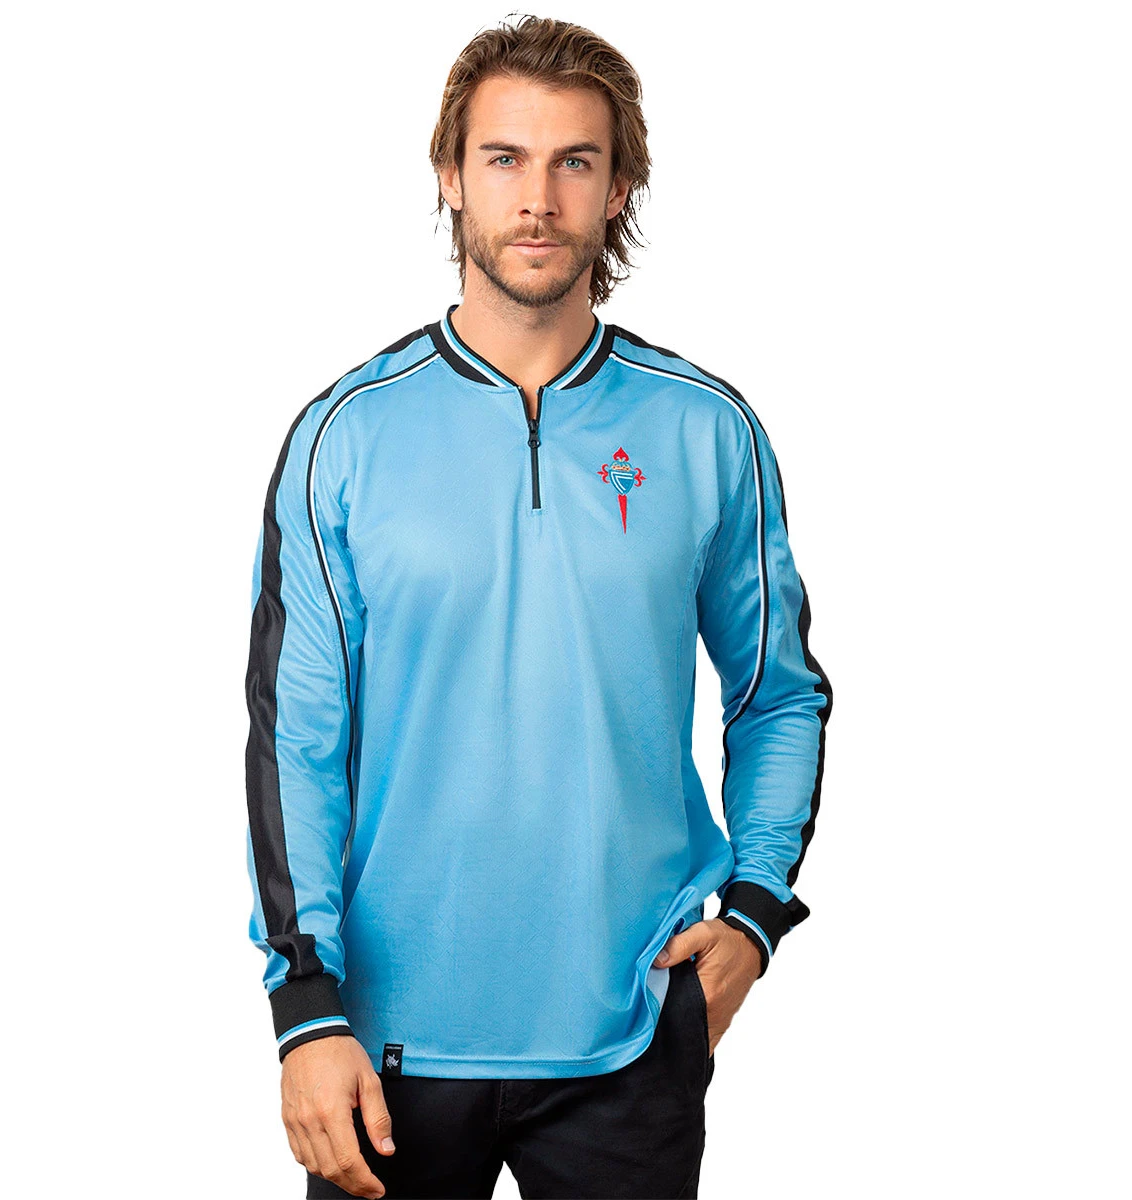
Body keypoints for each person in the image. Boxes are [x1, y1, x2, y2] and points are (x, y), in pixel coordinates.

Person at [243, 14, 832, 1199]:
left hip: (631, 1030)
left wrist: (756, 915)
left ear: (619, 190)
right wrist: (304, 1003)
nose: (538, 199)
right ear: (451, 177)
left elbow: (778, 695)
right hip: (383, 1049)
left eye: (576, 162)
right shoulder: (343, 438)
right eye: (505, 158)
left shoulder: (706, 430)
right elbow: (296, 739)